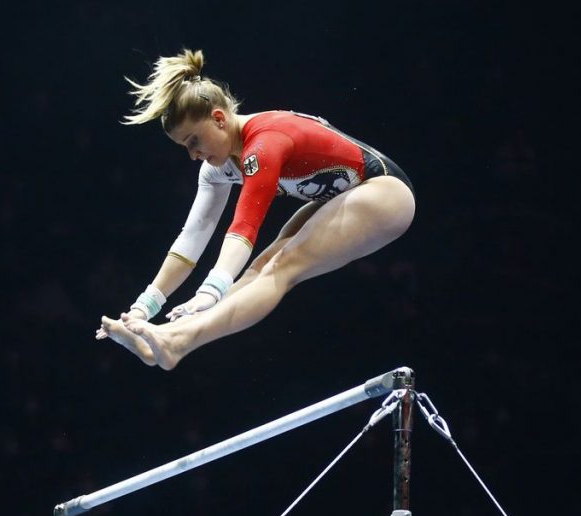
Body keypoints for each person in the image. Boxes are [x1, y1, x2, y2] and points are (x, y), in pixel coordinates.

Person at [97, 49, 416, 370]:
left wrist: (211, 290)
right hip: (342, 196)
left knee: (283, 265)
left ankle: (177, 342)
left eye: (194, 141)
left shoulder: (264, 142)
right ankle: (166, 336)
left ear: (219, 119)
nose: (193, 154)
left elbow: (244, 228)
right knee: (259, 267)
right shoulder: (217, 168)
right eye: (185, 147)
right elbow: (191, 238)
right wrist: (144, 307)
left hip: (386, 193)